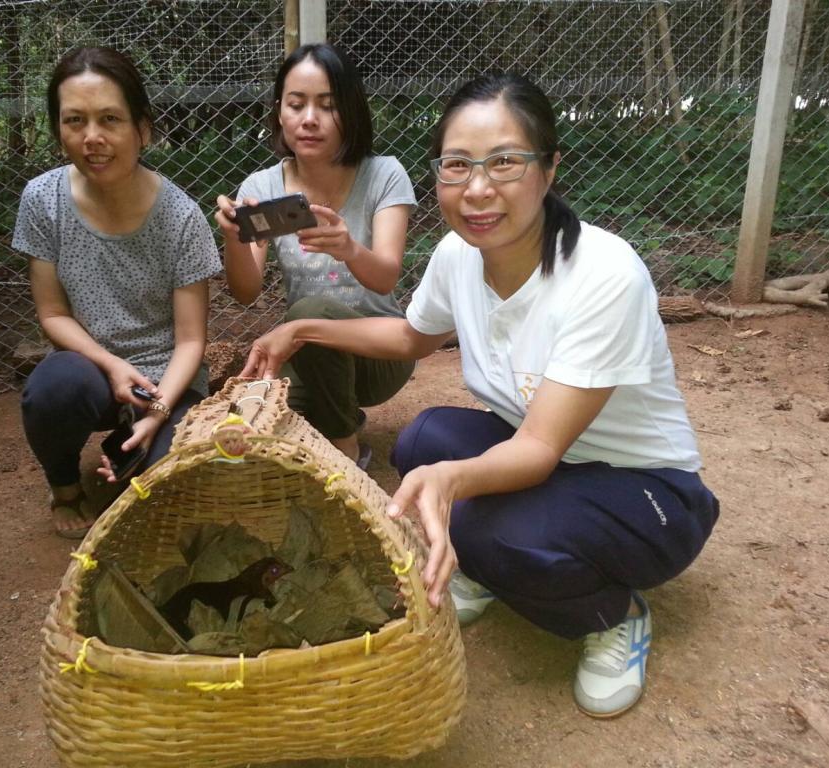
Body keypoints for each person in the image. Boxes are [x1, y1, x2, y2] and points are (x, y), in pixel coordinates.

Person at [239, 72, 719, 718]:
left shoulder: (604, 276)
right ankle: (494, 565)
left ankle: (613, 614)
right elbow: (410, 336)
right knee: (422, 442)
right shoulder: (458, 255)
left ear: (549, 169)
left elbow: (539, 449)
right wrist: (300, 330)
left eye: (505, 162)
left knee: (490, 527)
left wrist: (451, 483)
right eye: (458, 165)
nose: (478, 188)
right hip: (557, 463)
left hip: (650, 492)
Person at [13, 47, 221, 538]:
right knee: (52, 389)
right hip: (90, 370)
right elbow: (52, 313)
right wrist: (110, 365)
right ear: (58, 130)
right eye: (75, 120)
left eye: (110, 119)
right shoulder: (42, 200)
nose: (92, 137)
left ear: (142, 130)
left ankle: (146, 446)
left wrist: (158, 411)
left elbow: (191, 341)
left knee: (177, 494)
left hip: (167, 381)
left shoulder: (182, 217)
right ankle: (66, 489)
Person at [214, 43, 416, 470]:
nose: (309, 119)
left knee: (311, 310)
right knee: (251, 428)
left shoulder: (384, 174)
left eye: (328, 105)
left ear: (351, 111)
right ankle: (337, 414)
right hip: (308, 350)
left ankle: (346, 448)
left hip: (380, 352)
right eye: (296, 104)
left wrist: (349, 249)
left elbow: (385, 278)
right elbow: (246, 291)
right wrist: (234, 238)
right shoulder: (264, 187)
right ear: (279, 113)